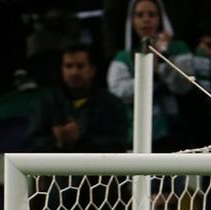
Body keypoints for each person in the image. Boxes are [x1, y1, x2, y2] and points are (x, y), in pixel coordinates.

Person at [106, 0, 192, 151]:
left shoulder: (179, 49)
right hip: (135, 138)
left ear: (161, 18)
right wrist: (149, 73)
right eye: (139, 15)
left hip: (177, 137)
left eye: (152, 14)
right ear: (132, 20)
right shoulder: (123, 57)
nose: (146, 19)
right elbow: (118, 92)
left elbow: (183, 86)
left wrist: (163, 56)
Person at [28, 45, 129, 153]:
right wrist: (58, 141)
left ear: (92, 70)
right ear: (62, 70)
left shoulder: (111, 104)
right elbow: (32, 143)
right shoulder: (46, 102)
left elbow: (119, 145)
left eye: (80, 66)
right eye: (68, 66)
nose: (74, 72)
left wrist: (81, 138)